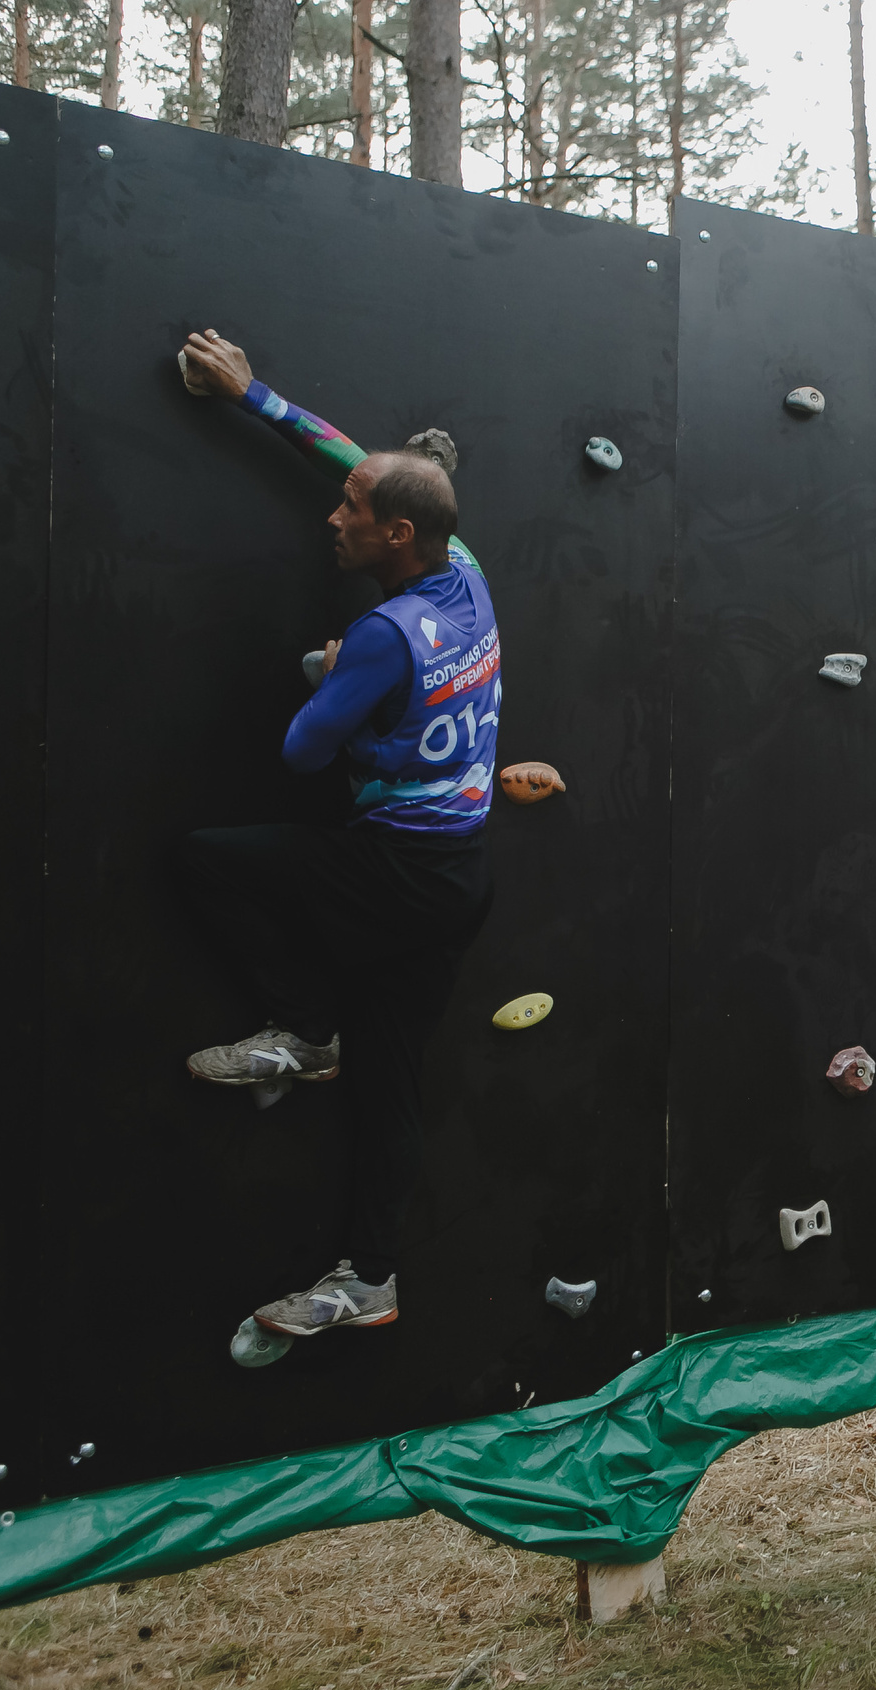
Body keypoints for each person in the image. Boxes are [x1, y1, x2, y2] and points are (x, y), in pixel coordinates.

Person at [174, 329, 504, 1339]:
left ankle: (304, 1029)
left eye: (353, 514)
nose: (335, 516)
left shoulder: (380, 636)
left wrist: (328, 680)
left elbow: (302, 756)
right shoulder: (468, 571)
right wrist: (251, 395)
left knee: (206, 863)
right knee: (390, 1081)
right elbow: (350, 455)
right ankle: (371, 1278)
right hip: (457, 875)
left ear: (397, 536)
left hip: (390, 868)